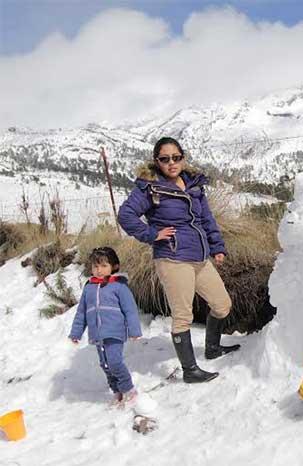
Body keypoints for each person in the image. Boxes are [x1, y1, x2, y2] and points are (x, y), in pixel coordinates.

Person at [118, 137, 239, 384]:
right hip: (172, 258)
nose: (171, 163)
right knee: (182, 315)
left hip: (199, 256)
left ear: (183, 157)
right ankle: (190, 370)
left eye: (176, 157)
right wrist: (152, 235)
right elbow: (126, 215)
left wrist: (217, 247)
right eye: (165, 159)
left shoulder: (194, 185)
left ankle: (212, 348)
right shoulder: (150, 188)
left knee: (222, 304)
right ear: (157, 162)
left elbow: (207, 219)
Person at [69, 247, 142, 407]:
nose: (99, 270)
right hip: (97, 334)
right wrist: (76, 333)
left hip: (114, 332)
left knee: (115, 362)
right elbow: (81, 312)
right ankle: (117, 392)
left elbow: (130, 310)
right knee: (105, 364)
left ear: (114, 266)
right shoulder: (89, 288)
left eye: (103, 266)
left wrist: (134, 330)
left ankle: (129, 389)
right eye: (95, 266)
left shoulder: (119, 287)